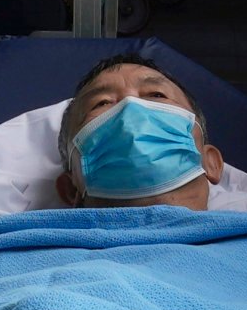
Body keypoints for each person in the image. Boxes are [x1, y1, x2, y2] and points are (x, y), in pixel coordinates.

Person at [52, 57, 222, 211]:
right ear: (72, 188)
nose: (130, 107)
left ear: (211, 163)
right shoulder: (31, 243)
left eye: (157, 95)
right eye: (102, 103)